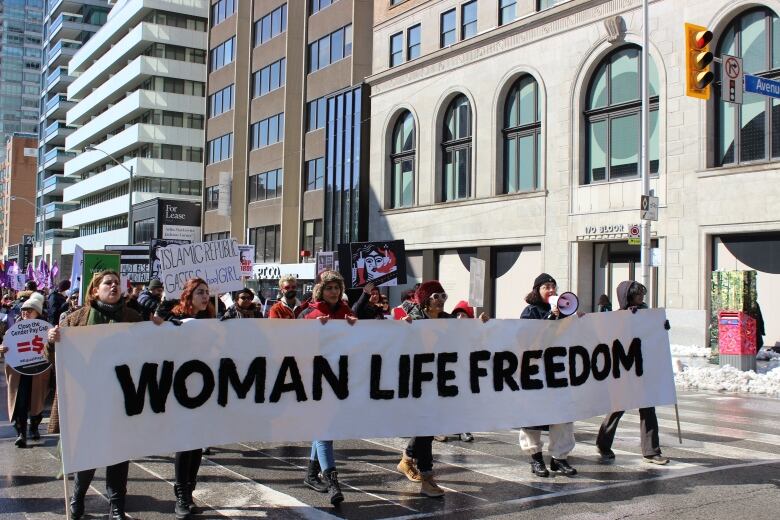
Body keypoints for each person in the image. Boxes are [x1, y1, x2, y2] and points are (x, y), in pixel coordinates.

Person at [47, 271, 147, 520]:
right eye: (107, 283)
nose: (113, 286)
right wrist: (52, 342)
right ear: (94, 290)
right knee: (87, 451)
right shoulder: (75, 320)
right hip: (86, 398)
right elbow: (56, 360)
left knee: (118, 452)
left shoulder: (133, 318)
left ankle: (116, 506)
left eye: (117, 283)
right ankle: (78, 499)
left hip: (120, 397)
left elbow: (147, 353)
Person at [298, 270, 357, 505]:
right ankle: (333, 482)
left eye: (336, 288)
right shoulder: (308, 313)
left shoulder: (347, 313)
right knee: (325, 430)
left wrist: (356, 326)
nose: (333, 292)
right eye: (329, 288)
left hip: (339, 379)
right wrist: (313, 329)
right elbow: (293, 343)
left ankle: (311, 474)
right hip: (314, 378)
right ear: (321, 290)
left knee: (323, 427)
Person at [596, 280, 669, 465]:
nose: (641, 298)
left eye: (642, 294)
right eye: (637, 295)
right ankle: (603, 444)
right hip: (624, 369)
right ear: (628, 297)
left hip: (643, 369)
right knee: (617, 408)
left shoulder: (647, 315)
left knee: (648, 408)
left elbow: (652, 338)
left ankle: (651, 450)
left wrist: (661, 327)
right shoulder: (617, 317)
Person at [160, 278, 215, 518]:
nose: (205, 296)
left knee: (197, 442)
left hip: (204, 389)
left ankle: (189, 491)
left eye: (207, 292)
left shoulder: (212, 319)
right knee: (185, 442)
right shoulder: (174, 317)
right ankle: (181, 494)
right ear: (189, 295)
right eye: (200, 292)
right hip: (180, 388)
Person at [518, 273, 578, 477]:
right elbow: (530, 338)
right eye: (546, 287)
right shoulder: (530, 312)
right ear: (537, 290)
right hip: (535, 371)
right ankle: (535, 458)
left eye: (554, 286)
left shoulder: (564, 312)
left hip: (558, 371)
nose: (551, 290)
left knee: (563, 416)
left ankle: (559, 458)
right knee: (533, 417)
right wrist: (551, 317)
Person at [0, 292, 51, 448]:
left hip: (38, 371)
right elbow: (5, 347)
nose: (25, 313)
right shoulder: (13, 331)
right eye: (24, 310)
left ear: (38, 312)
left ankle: (34, 427)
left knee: (36, 401)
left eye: (30, 310)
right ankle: (21, 433)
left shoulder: (45, 330)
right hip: (19, 372)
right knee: (19, 402)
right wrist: (1, 349)